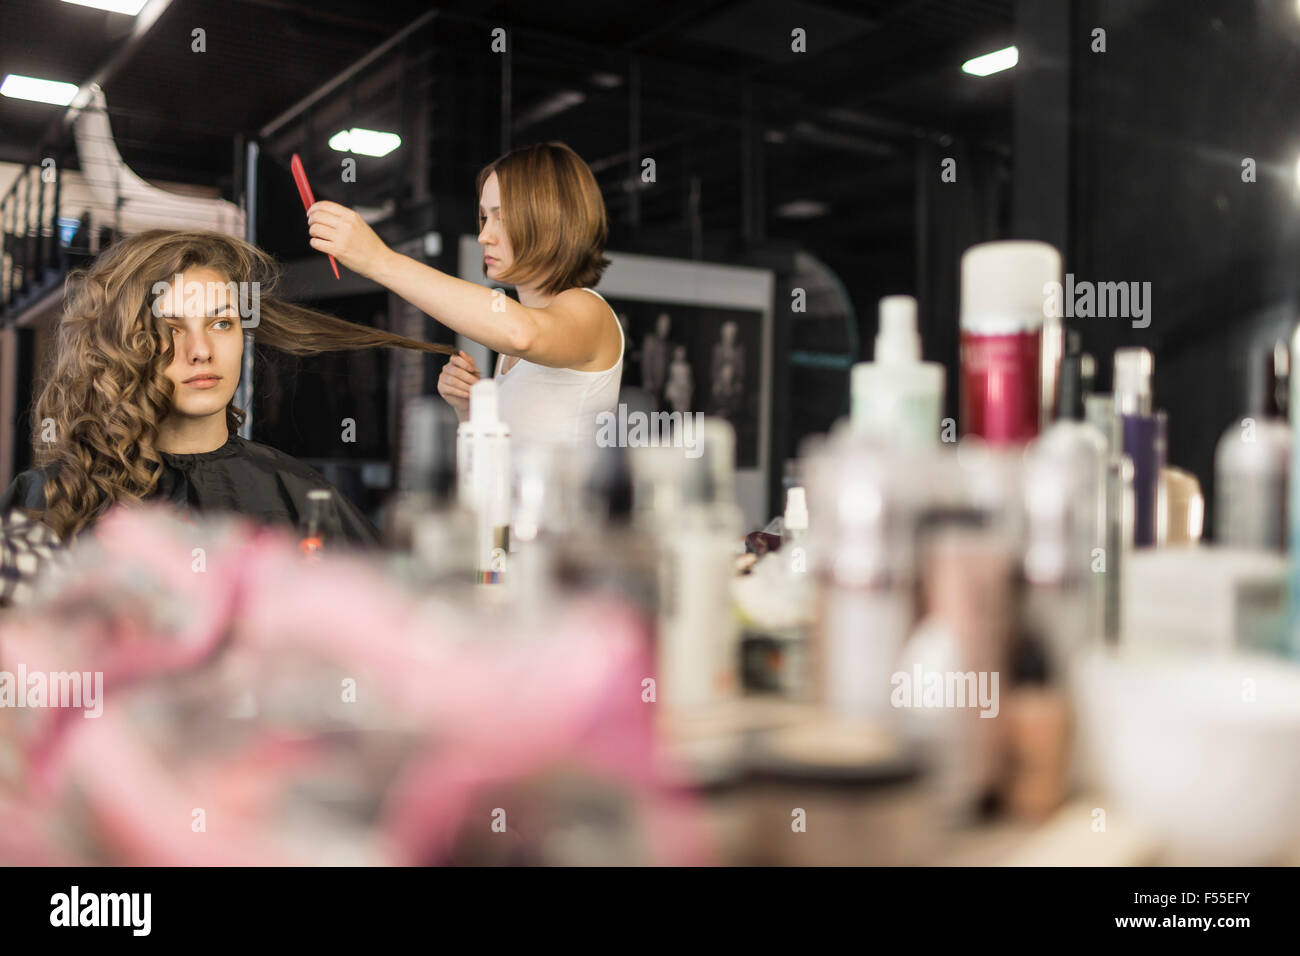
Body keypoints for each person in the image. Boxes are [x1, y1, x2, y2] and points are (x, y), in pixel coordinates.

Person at [0, 229, 454, 559]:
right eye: (169, 328)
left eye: (222, 323)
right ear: (124, 344)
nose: (201, 352)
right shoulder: (49, 498)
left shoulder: (301, 497)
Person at [305, 141, 624, 448]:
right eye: (485, 217)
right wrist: (472, 414)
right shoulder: (513, 346)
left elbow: (520, 333)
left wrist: (380, 260)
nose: (484, 235)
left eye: (503, 217)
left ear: (550, 221)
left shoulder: (588, 309)